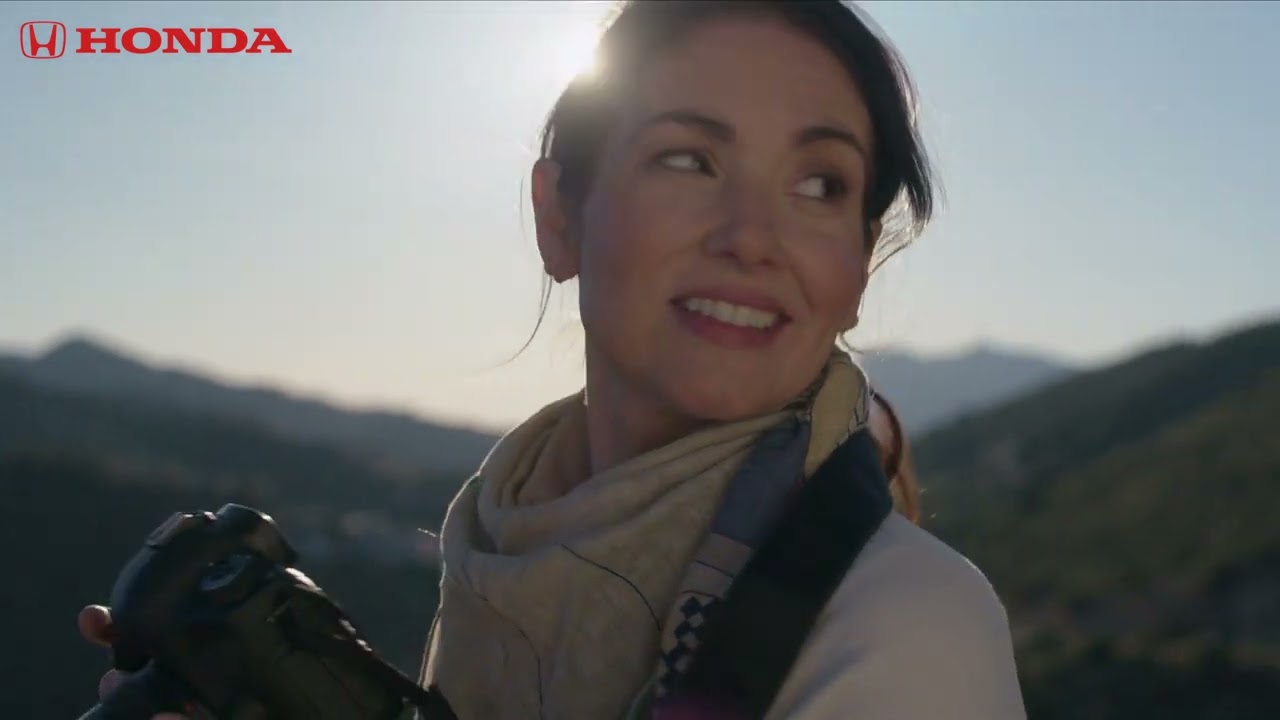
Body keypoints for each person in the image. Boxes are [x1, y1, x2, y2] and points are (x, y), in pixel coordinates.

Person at [78, 1, 1027, 717]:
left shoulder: (902, 627)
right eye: (689, 159)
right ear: (559, 217)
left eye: (820, 184)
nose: (753, 236)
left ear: (858, 267)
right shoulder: (507, 553)